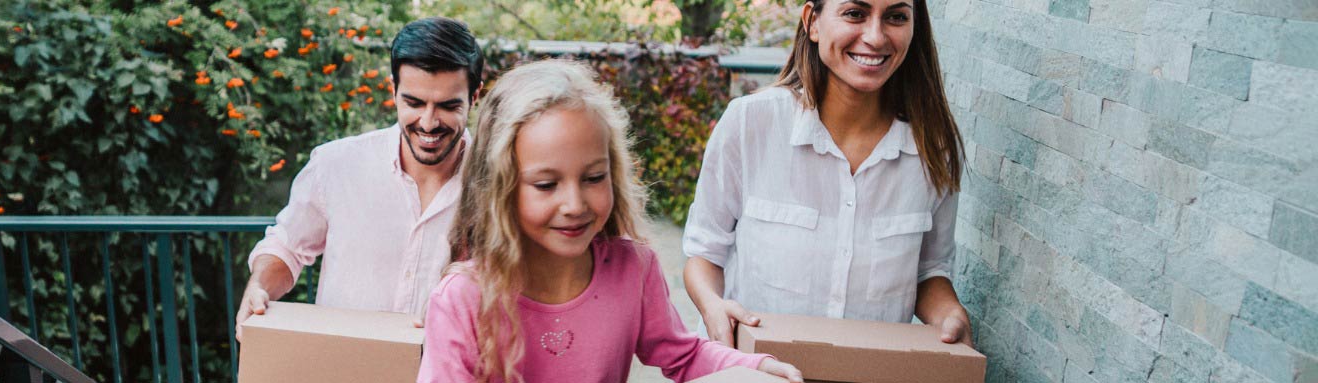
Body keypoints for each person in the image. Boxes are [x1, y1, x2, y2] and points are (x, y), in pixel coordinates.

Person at [418, 59, 804, 383]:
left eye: (593, 178)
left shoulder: (633, 269)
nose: (574, 204)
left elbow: (684, 356)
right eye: (547, 184)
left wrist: (758, 367)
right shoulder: (463, 298)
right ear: (499, 186)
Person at [682, 0, 973, 348]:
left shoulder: (933, 150)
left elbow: (929, 272)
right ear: (813, 22)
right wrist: (713, 306)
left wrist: (949, 314)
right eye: (855, 14)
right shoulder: (749, 124)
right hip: (751, 367)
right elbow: (704, 253)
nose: (876, 37)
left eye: (896, 17)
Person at [234, 17, 482, 336]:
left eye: (447, 106)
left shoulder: (498, 180)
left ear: (474, 97)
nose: (429, 122)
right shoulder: (336, 164)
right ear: (394, 92)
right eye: (414, 102)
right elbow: (288, 245)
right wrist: (258, 286)